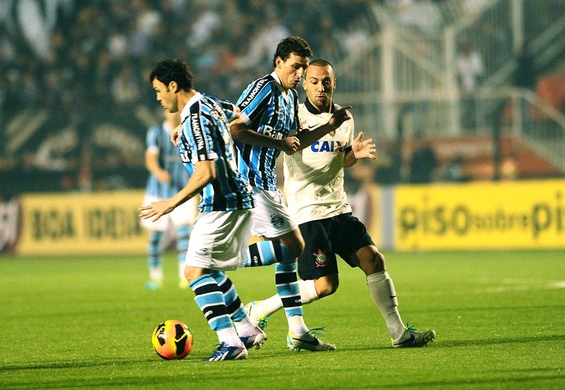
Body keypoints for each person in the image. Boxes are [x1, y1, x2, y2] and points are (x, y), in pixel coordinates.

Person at [245, 59, 436, 348]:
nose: (320, 87)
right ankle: (258, 309)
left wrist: (353, 155)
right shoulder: (294, 116)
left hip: (339, 209)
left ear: (334, 83)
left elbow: (341, 157)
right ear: (305, 84)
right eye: (314, 81)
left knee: (374, 260)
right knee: (325, 286)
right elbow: (291, 142)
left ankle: (399, 333)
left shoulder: (344, 118)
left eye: (326, 81)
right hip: (307, 212)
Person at [229, 36, 352, 352]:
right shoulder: (265, 89)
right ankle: (221, 259)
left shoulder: (287, 98)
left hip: (268, 186)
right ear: (278, 62)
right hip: (248, 183)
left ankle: (297, 331)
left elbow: (297, 140)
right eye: (295, 67)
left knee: (286, 261)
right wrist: (277, 144)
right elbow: (235, 127)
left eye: (303, 69)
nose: (299, 75)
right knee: (292, 248)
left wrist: (330, 125)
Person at [141, 59, 265, 361]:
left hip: (221, 203)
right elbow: (237, 113)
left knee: (194, 272)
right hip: (238, 198)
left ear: (173, 86)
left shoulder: (195, 118)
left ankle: (231, 342)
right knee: (209, 269)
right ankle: (247, 330)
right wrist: (185, 126)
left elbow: (205, 172)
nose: (158, 98)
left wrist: (171, 202)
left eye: (159, 91)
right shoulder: (208, 104)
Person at [140, 109, 195, 290]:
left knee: (184, 235)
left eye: (176, 112)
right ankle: (155, 277)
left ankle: (183, 276)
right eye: (169, 112)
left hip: (182, 192)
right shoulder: (156, 133)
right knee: (155, 237)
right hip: (157, 192)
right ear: (164, 113)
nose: (173, 115)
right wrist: (159, 172)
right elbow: (150, 159)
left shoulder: (189, 131)